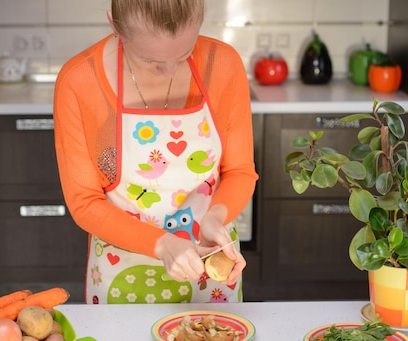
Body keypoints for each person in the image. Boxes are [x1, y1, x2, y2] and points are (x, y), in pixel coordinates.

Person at [53, 0, 258, 304]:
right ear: (114, 26)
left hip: (208, 271)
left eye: (185, 53)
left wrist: (214, 218)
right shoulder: (80, 82)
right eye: (151, 60)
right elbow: (85, 202)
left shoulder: (223, 64)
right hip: (121, 279)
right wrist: (162, 245)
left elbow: (240, 172)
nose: (170, 71)